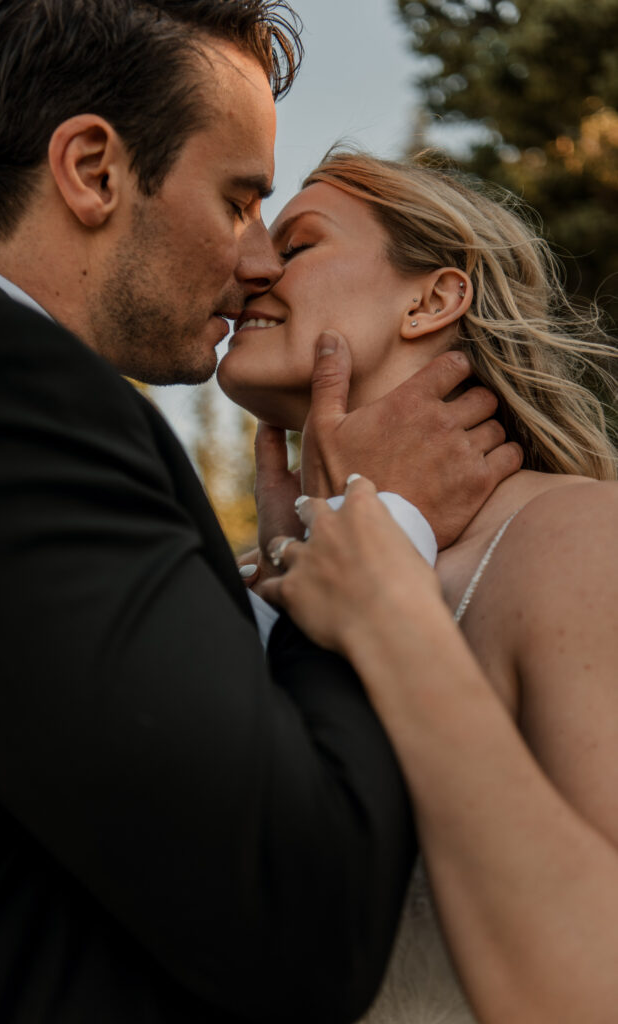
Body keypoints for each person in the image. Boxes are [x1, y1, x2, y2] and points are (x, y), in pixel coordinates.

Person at [0, 4, 523, 1022]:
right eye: (241, 200)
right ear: (93, 170)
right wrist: (369, 530)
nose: (258, 263)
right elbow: (299, 923)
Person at [218, 150, 618, 1023]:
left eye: (299, 242)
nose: (248, 268)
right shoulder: (248, 583)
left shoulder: (581, 541)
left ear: (431, 298)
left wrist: (379, 597)